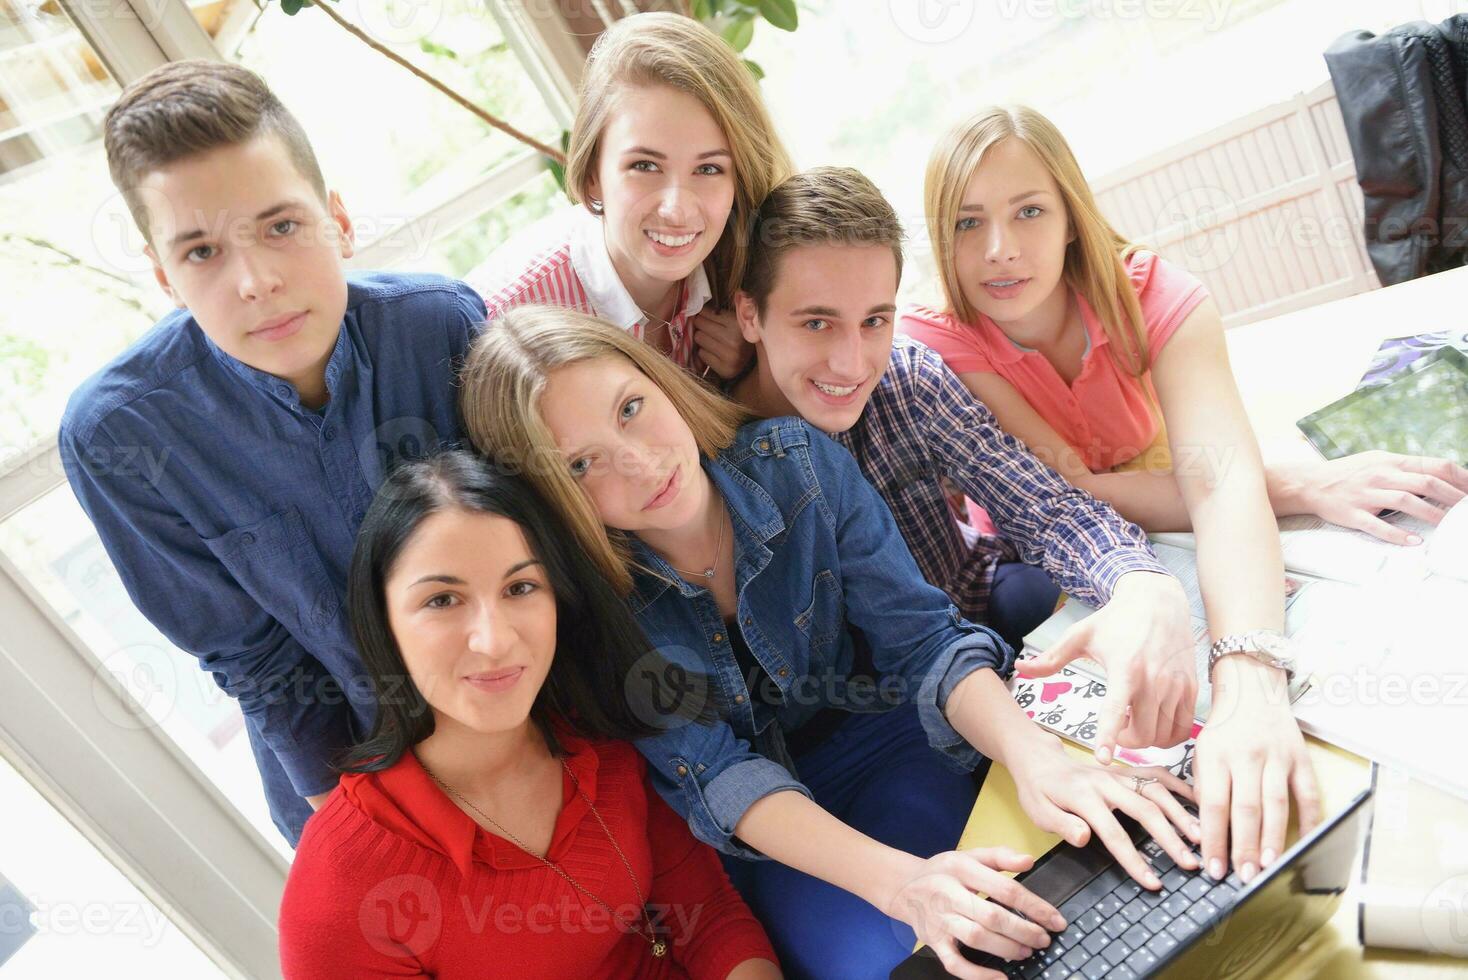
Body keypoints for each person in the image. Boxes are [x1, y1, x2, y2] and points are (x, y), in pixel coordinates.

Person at [458, 308, 1199, 980]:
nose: (640, 462)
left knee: (1055, 882)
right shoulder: (589, 609)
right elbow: (719, 777)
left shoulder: (797, 464)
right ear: (548, 495)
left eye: (631, 409)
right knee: (901, 963)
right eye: (581, 464)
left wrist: (1037, 758)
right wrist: (903, 885)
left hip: (890, 742)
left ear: (660, 381)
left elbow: (926, 643)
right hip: (776, 833)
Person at [900, 106, 1467, 885]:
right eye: (968, 223)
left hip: (1175, 489)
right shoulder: (938, 344)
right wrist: (1290, 482)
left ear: (1070, 215)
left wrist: (1252, 682)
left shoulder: (1154, 292)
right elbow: (1071, 494)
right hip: (1058, 553)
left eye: (1028, 211)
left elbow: (1217, 478)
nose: (999, 249)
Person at [58, 60, 487, 845]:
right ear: (164, 276)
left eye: (281, 227)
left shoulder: (441, 328)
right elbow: (261, 667)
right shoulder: (119, 438)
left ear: (339, 220)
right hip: (353, 792)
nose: (255, 280)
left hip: (537, 723)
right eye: (201, 252)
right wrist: (385, 840)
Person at [278, 452, 780, 979]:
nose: (493, 641)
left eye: (520, 588)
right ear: (383, 622)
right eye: (443, 600)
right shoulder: (342, 886)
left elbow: (708, 922)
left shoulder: (604, 736)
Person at [728, 165, 1192, 664]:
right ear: (750, 315)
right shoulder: (715, 455)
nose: (852, 363)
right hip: (867, 689)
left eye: (874, 321)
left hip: (975, 595)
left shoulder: (908, 380)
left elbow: (1046, 507)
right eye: (817, 323)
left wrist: (1138, 583)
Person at [470, 11, 792, 379]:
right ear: (593, 175)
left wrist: (759, 363)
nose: (676, 210)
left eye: (708, 169)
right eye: (645, 166)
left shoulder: (753, 262)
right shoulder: (508, 325)